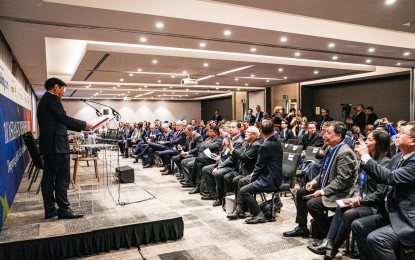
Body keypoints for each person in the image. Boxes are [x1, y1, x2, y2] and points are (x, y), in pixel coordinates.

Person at [307, 130, 390, 259]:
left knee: (349, 213)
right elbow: (357, 183)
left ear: (379, 144)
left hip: (374, 205)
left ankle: (332, 248)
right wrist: (356, 196)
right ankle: (328, 244)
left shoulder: (384, 163)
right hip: (361, 199)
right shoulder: (366, 160)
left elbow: (379, 194)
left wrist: (360, 201)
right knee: (342, 206)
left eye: (369, 140)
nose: (365, 142)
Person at [352, 122, 415, 260]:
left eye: (402, 133)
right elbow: (381, 179)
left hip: (407, 219)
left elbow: (390, 177)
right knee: (358, 225)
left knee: (377, 239)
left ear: (413, 141)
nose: (397, 135)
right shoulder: (397, 157)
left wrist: (366, 157)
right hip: (391, 212)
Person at [283, 121, 358, 238]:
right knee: (301, 192)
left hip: (340, 193)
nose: (324, 135)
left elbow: (342, 180)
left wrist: (322, 192)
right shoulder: (332, 148)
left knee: (312, 204)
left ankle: (331, 233)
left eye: (328, 132)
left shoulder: (345, 152)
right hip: (327, 187)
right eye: (325, 132)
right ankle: (302, 227)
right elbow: (325, 171)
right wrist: (314, 181)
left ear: (338, 135)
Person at [37, 78, 93, 219]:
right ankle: (64, 209)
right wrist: (85, 124)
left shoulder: (45, 100)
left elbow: (61, 123)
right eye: (63, 89)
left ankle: (50, 209)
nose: (63, 93)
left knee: (48, 179)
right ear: (56, 87)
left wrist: (82, 126)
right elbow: (63, 118)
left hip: (49, 146)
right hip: (57, 146)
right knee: (63, 178)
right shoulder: (52, 99)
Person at [227, 120, 283, 224]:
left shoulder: (265, 146)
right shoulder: (277, 142)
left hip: (269, 179)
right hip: (274, 176)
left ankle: (258, 214)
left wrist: (252, 178)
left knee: (244, 189)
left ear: (260, 131)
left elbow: (259, 166)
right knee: (240, 181)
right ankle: (241, 210)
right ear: (274, 130)